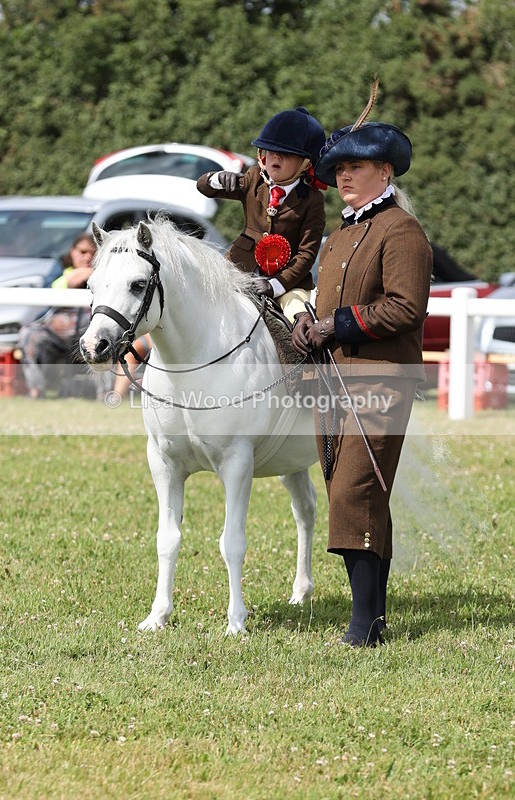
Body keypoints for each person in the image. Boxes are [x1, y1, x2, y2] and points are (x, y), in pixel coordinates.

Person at [291, 85, 433, 647]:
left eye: (356, 167)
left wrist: (336, 325)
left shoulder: (401, 230)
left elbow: (404, 307)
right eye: (340, 168)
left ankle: (365, 624)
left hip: (381, 377)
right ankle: (370, 615)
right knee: (347, 491)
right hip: (333, 376)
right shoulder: (344, 232)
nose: (344, 177)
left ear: (385, 171)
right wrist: (311, 322)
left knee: (355, 491)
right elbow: (329, 302)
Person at [196, 107, 327, 321]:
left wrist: (275, 285)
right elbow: (204, 188)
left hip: (287, 283)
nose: (275, 156)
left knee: (298, 319)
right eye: (269, 150)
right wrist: (216, 179)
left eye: (286, 153)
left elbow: (306, 254)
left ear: (306, 163)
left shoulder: (312, 200)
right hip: (239, 266)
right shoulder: (254, 177)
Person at [17, 233, 100, 399]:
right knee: (29, 335)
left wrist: (90, 274)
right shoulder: (59, 269)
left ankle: (106, 394)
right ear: (72, 252)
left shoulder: (103, 274)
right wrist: (74, 277)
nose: (87, 257)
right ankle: (36, 390)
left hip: (89, 333)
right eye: (82, 252)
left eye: (92, 253)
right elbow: (51, 290)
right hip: (55, 334)